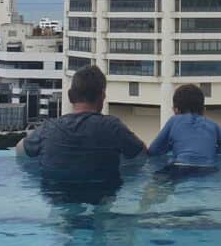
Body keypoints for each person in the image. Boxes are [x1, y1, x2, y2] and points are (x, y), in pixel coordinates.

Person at [16, 65, 146, 191]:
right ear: (102, 96)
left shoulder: (49, 128)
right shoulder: (112, 127)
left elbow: (20, 149)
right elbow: (142, 154)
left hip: (57, 194)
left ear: (70, 96)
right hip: (100, 195)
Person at [147, 84, 221, 177]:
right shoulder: (212, 124)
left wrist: (172, 146)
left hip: (181, 166)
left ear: (175, 110)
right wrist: (210, 148)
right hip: (207, 168)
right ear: (203, 110)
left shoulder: (174, 120)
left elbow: (153, 151)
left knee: (157, 183)